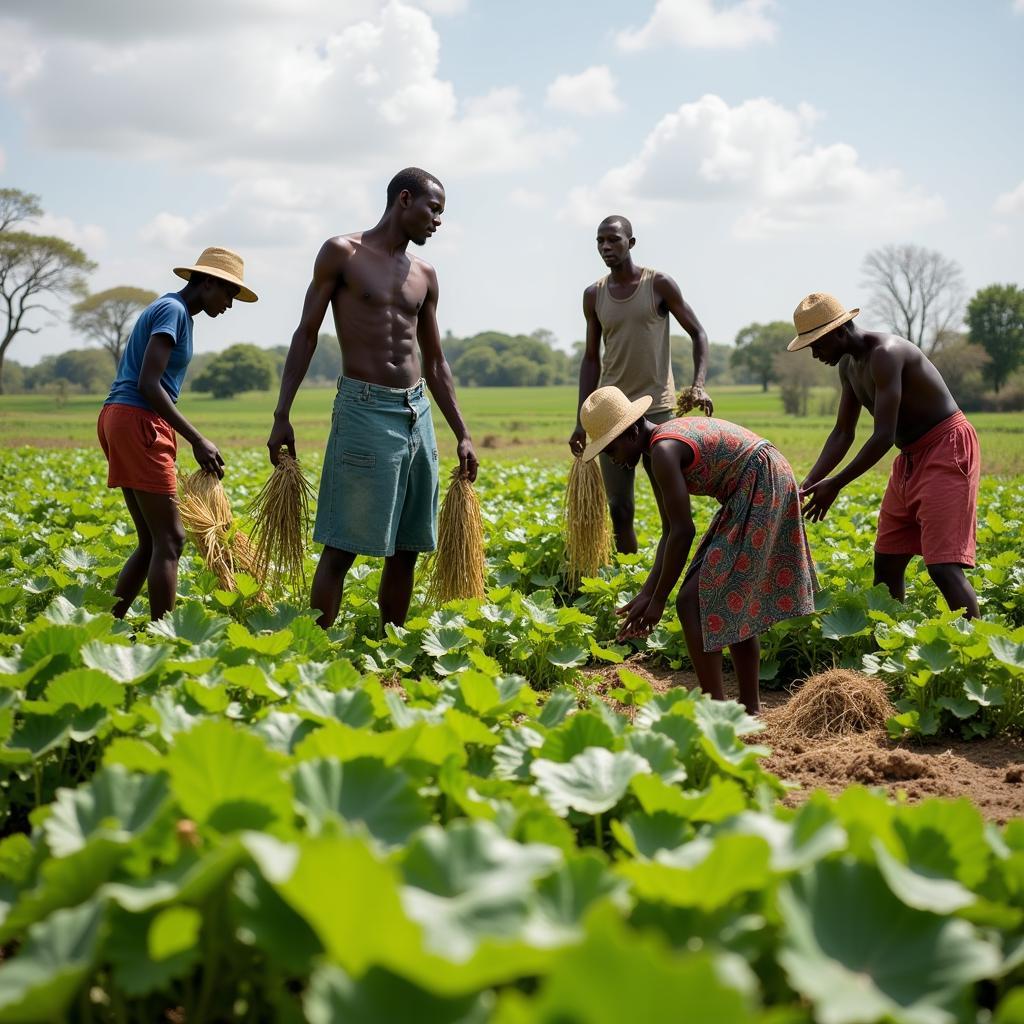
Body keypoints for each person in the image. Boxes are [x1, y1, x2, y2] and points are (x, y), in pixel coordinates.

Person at [267, 167, 477, 631]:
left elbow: (436, 361)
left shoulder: (425, 275)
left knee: (407, 547)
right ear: (405, 199)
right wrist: (282, 414)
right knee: (343, 544)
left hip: (416, 413)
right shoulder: (342, 253)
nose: (438, 222)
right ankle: (313, 649)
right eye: (433, 210)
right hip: (364, 410)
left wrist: (461, 432)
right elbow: (306, 334)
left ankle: (391, 651)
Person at [579, 386, 816, 713]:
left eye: (611, 449)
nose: (613, 459)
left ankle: (718, 710)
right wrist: (648, 593)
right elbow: (668, 530)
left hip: (762, 482)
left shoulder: (662, 451)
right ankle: (746, 709)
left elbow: (684, 531)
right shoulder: (655, 449)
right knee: (728, 596)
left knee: (692, 600)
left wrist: (660, 599)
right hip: (752, 485)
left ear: (632, 432)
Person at [790, 292, 980, 618]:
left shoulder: (885, 354)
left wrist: (836, 484)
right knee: (887, 563)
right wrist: (808, 483)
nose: (814, 354)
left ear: (839, 331)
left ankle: (976, 655)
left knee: (944, 567)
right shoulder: (848, 367)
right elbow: (842, 433)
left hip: (946, 448)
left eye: (816, 344)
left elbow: (883, 436)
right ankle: (890, 647)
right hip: (909, 458)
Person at [97, 247, 257, 620]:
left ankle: (109, 622)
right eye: (228, 293)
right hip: (138, 419)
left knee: (152, 540)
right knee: (171, 539)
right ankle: (164, 636)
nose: (230, 305)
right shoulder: (174, 311)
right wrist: (196, 439)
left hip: (123, 417)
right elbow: (149, 384)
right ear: (206, 283)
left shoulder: (174, 310)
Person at [568, 215, 713, 554]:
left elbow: (698, 333)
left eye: (613, 240)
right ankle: (627, 579)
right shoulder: (594, 295)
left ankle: (666, 578)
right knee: (619, 508)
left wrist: (698, 384)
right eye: (600, 241)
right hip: (610, 417)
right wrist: (580, 421)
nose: (606, 247)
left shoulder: (658, 284)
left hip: (658, 409)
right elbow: (591, 359)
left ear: (630, 243)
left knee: (669, 507)